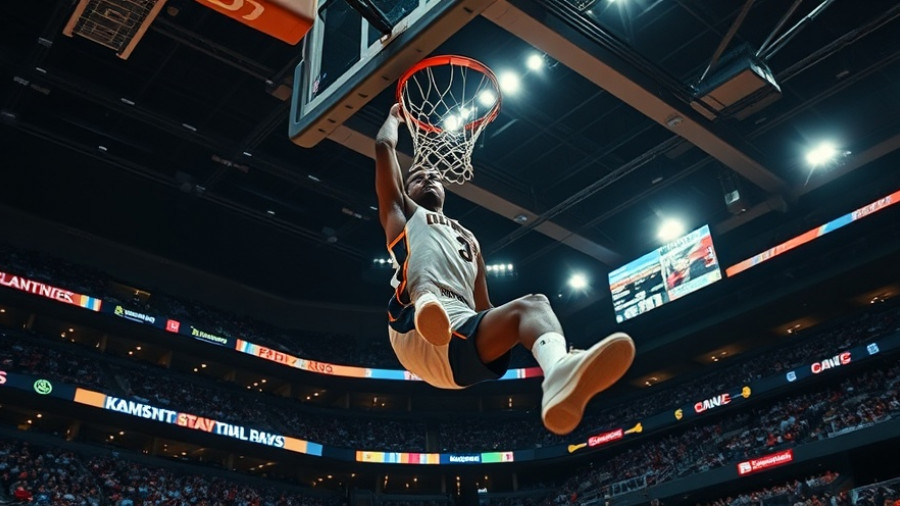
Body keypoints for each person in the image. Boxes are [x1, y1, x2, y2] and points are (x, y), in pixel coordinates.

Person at [375, 103, 635, 435]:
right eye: (418, 176)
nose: (428, 178)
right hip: (413, 328)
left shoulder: (469, 239)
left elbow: (483, 309)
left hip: (456, 345)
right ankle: (428, 304)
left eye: (435, 177)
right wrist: (393, 118)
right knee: (425, 281)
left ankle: (558, 374)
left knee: (534, 305)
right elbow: (383, 147)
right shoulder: (403, 214)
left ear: (445, 189)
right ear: (406, 188)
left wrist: (518, 332)